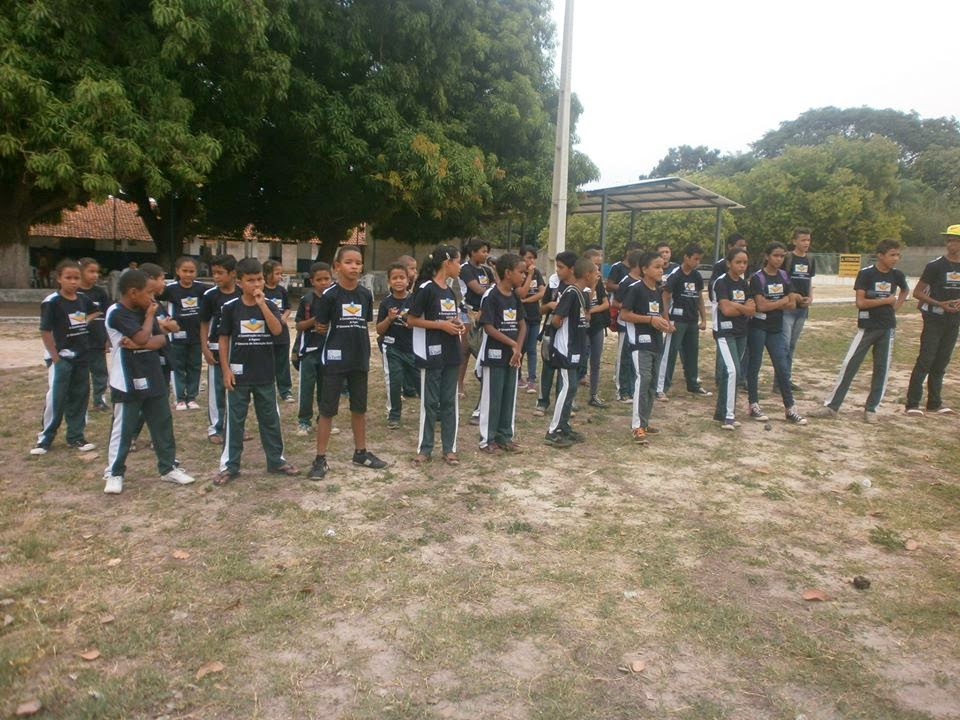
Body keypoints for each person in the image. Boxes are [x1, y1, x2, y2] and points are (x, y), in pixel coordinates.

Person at [101, 270, 196, 493]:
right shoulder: (117, 312)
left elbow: (161, 340)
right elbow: (145, 336)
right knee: (124, 427)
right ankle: (114, 472)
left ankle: (168, 468)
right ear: (133, 292)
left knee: (162, 423)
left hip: (153, 373)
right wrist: (147, 326)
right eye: (149, 293)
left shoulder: (146, 309)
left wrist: (140, 342)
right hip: (127, 378)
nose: (153, 299)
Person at [216, 258, 299, 484]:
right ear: (239, 282)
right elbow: (223, 340)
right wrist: (225, 370)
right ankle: (230, 466)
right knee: (234, 422)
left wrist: (262, 305)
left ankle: (276, 460)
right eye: (251, 280)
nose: (256, 284)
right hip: (238, 374)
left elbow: (277, 330)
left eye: (259, 279)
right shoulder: (231, 308)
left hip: (264, 373)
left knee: (270, 419)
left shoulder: (269, 305)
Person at [308, 246, 388, 480]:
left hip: (359, 358)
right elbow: (321, 327)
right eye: (349, 262)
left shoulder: (365, 295)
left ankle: (360, 452)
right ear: (337, 266)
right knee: (327, 410)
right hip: (334, 360)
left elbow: (364, 323)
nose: (354, 267)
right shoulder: (329, 295)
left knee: (359, 408)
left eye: (358, 262)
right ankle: (320, 459)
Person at [815, 239, 909, 422]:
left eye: (898, 255)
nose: (896, 258)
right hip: (867, 327)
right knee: (850, 365)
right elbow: (861, 302)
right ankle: (832, 406)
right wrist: (886, 301)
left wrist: (896, 306)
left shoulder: (897, 275)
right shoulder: (866, 274)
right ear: (880, 255)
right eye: (892, 255)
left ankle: (871, 409)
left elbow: (905, 290)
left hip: (887, 327)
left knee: (882, 369)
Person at [31, 259, 98, 455]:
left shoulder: (83, 299)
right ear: (59, 278)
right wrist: (55, 357)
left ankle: (76, 436)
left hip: (81, 356)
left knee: (80, 395)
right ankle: (45, 439)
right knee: (56, 397)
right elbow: (45, 331)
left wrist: (85, 321)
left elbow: (96, 311)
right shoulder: (52, 302)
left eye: (76, 278)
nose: (73, 282)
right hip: (61, 357)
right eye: (68, 278)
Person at [406, 245, 465, 466]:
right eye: (458, 262)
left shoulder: (450, 291)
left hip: (451, 352)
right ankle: (425, 448)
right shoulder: (426, 288)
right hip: (431, 352)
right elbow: (411, 320)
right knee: (430, 402)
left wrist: (456, 324)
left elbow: (450, 317)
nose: (460, 267)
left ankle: (450, 449)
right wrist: (441, 326)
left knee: (449, 401)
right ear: (446, 263)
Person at [744, 242, 808, 425]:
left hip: (775, 328)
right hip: (758, 327)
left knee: (782, 366)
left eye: (782, 256)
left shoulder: (784, 276)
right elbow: (761, 305)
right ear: (767, 256)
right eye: (775, 255)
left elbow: (793, 303)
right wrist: (782, 301)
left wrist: (779, 302)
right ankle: (753, 405)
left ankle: (790, 408)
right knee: (754, 366)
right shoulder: (758, 278)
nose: (779, 259)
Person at [905, 225, 960, 416]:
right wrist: (939, 303)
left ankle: (935, 403)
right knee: (926, 359)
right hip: (934, 318)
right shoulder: (935, 266)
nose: (951, 244)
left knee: (942, 361)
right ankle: (912, 403)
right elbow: (917, 292)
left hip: (954, 320)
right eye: (949, 240)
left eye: (956, 240)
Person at [620, 251, 673, 444]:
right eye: (656, 267)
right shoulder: (635, 289)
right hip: (640, 343)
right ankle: (636, 427)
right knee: (643, 380)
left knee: (652, 384)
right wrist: (650, 320)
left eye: (662, 267)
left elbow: (659, 314)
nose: (661, 270)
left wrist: (665, 324)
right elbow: (624, 315)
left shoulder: (658, 290)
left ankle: (644, 421)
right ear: (644, 269)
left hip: (656, 342)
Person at [477, 253, 527, 453]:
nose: (524, 276)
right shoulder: (491, 296)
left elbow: (522, 325)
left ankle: (505, 436)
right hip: (494, 355)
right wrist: (511, 343)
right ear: (507, 273)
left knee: (509, 396)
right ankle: (487, 439)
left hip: (513, 356)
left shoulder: (515, 296)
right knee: (493, 397)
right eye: (521, 272)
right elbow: (488, 327)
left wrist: (518, 348)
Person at [544, 257, 595, 448]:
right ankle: (553, 430)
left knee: (572, 388)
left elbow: (585, 317)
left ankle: (564, 426)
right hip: (565, 348)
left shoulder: (583, 294)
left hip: (575, 347)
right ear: (587, 274)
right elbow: (556, 319)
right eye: (595, 272)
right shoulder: (571, 293)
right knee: (567, 388)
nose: (597, 275)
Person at [656, 244, 711, 399]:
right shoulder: (675, 275)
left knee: (692, 353)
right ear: (686, 257)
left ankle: (693, 385)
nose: (697, 262)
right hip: (676, 320)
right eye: (695, 259)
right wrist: (667, 320)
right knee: (670, 353)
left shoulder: (697, 276)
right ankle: (661, 388)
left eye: (699, 260)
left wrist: (703, 319)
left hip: (692, 320)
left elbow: (699, 298)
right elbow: (665, 297)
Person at [712, 248, 755, 430]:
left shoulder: (744, 284)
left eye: (745, 262)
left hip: (741, 331)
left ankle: (721, 411)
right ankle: (729, 416)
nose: (742, 266)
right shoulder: (721, 282)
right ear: (729, 263)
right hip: (724, 331)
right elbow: (726, 310)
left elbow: (752, 309)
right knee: (733, 371)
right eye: (738, 262)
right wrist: (742, 308)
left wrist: (738, 306)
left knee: (729, 373)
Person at [199, 255, 241, 444]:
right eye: (213, 273)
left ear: (233, 274)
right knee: (217, 389)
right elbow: (204, 323)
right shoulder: (210, 296)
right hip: (216, 347)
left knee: (238, 389)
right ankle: (216, 428)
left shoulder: (242, 293)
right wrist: (205, 347)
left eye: (220, 273)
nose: (216, 277)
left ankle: (235, 427)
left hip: (239, 348)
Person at [161, 256, 209, 410]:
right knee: (178, 366)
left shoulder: (202, 289)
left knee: (195, 366)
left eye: (191, 271)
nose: (188, 274)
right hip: (177, 335)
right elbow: (153, 297)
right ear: (177, 271)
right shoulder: (171, 289)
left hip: (196, 335)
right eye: (185, 271)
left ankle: (192, 397)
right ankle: (180, 398)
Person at [534, 251, 577, 417]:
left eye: (561, 267)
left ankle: (563, 402)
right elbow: (541, 309)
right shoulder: (553, 285)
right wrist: (550, 306)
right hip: (550, 332)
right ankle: (542, 402)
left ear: (572, 269)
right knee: (548, 366)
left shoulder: (577, 289)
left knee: (565, 369)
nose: (557, 270)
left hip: (569, 335)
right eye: (557, 267)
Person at [376, 262, 419, 429]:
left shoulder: (415, 300)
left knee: (421, 382)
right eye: (394, 278)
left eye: (402, 277)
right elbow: (379, 330)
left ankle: (432, 410)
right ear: (389, 281)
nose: (398, 281)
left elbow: (422, 322)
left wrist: (413, 324)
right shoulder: (386, 303)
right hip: (392, 348)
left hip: (414, 348)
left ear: (408, 280)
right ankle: (394, 415)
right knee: (394, 382)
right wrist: (389, 319)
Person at [294, 262, 332, 435]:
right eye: (319, 280)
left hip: (328, 351)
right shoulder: (307, 300)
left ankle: (323, 419)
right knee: (307, 388)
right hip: (308, 351)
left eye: (327, 279)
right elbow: (299, 325)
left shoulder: (334, 298)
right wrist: (314, 322)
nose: (323, 283)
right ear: (312, 281)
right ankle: (304, 421)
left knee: (326, 388)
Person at [779, 228, 816, 392]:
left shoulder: (810, 259)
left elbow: (809, 280)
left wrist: (810, 297)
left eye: (808, 240)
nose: (806, 243)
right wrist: (792, 296)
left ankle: (786, 379)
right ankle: (779, 382)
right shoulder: (788, 258)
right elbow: (782, 279)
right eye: (803, 240)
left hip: (802, 308)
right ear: (794, 241)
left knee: (792, 345)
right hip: (789, 307)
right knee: (785, 344)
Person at [458, 239, 495, 399]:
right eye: (483, 251)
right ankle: (459, 384)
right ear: (472, 252)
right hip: (468, 313)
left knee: (483, 347)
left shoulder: (487, 270)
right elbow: (478, 290)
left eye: (487, 251)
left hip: (484, 312)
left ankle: (485, 380)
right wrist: (492, 290)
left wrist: (496, 270)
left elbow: (496, 286)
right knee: (464, 349)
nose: (486, 254)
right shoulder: (465, 269)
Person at [78, 257, 110, 411]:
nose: (95, 275)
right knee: (80, 374)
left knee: (100, 372)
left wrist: (107, 338)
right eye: (91, 271)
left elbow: (108, 316)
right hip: (78, 340)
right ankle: (79, 401)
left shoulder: (100, 292)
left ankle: (99, 400)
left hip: (97, 339)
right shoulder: (75, 292)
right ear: (80, 272)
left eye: (97, 272)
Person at [611, 250, 643, 402]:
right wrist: (629, 307)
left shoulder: (642, 282)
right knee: (624, 358)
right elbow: (615, 302)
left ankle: (632, 389)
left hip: (637, 326)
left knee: (634, 359)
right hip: (625, 325)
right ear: (638, 265)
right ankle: (622, 391)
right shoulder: (626, 282)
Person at [262, 260, 294, 403]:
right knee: (265, 362)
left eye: (281, 273)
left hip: (282, 334)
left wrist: (284, 318)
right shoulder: (261, 291)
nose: (280, 276)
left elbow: (288, 308)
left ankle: (285, 391)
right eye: (277, 273)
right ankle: (265, 389)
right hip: (265, 333)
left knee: (282, 363)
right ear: (267, 274)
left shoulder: (282, 291)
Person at [582, 248, 610, 407]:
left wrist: (591, 311)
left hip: (597, 324)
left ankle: (593, 394)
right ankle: (572, 397)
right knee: (580, 360)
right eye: (595, 265)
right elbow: (585, 302)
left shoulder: (598, 282)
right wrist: (592, 285)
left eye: (599, 265)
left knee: (596, 361)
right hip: (583, 327)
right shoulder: (579, 283)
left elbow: (605, 304)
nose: (598, 269)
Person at [518, 246, 545, 394]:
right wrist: (528, 275)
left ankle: (532, 379)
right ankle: (518, 376)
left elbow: (542, 292)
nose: (531, 261)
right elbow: (521, 293)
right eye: (528, 257)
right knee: (520, 348)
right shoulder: (520, 273)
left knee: (532, 349)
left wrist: (527, 301)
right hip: (522, 316)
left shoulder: (537, 273)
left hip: (534, 315)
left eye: (533, 258)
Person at [709, 233, 748, 302]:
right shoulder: (720, 265)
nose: (744, 248)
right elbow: (713, 290)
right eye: (740, 246)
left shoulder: (744, 267)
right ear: (730, 246)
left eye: (744, 246)